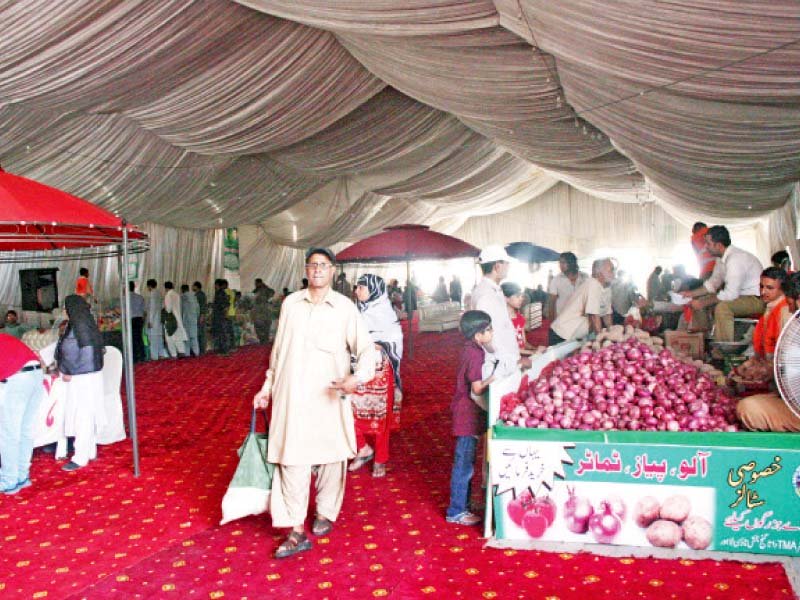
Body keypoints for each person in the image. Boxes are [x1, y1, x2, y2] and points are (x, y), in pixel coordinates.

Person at [252, 247, 377, 559]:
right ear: (306, 270)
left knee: (332, 458)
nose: (318, 270)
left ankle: (325, 511)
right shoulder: (291, 304)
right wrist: (267, 386)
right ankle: (295, 529)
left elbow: (366, 350)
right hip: (291, 396)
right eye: (313, 265)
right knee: (291, 459)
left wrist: (356, 378)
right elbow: (278, 352)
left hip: (329, 397)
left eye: (324, 265)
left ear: (332, 270)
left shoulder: (345, 308)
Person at [350, 274, 405, 477]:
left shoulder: (383, 313)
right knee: (349, 410)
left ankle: (380, 459)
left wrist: (375, 344)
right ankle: (363, 448)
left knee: (380, 417)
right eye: (357, 288)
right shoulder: (357, 310)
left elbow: (394, 341)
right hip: (357, 368)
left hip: (380, 370)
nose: (357, 291)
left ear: (374, 290)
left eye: (361, 288)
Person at [446, 310, 496, 526]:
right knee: (464, 464)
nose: (492, 333)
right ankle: (456, 510)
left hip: (467, 412)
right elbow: (476, 387)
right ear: (478, 335)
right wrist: (494, 378)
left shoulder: (472, 349)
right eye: (489, 330)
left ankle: (462, 505)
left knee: (466, 462)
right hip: (467, 415)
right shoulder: (475, 354)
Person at [736, 272, 800, 432]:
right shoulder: (777, 316)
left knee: (749, 408)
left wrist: (773, 370)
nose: (791, 311)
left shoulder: (785, 315)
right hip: (793, 400)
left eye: (791, 304)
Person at [681, 225, 764, 342]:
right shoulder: (721, 259)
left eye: (708, 244)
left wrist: (703, 302)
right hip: (740, 297)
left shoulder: (735, 259)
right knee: (701, 301)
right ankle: (704, 341)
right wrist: (690, 294)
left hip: (756, 300)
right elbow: (712, 284)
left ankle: (724, 349)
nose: (705, 247)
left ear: (719, 245)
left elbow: (730, 294)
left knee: (722, 308)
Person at [56, 295, 105, 471]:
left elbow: (70, 351)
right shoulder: (86, 323)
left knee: (82, 417)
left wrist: (66, 370)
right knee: (87, 415)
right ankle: (89, 451)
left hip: (81, 377)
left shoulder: (78, 325)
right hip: (90, 375)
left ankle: (80, 456)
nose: (63, 311)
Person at [471, 245, 531, 377]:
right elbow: (488, 338)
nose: (508, 266)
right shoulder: (486, 295)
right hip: (499, 365)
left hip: (504, 361)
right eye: (507, 263)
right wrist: (511, 362)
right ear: (497, 266)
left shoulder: (493, 290)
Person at [0, 333, 44, 494]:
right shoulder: (4, 337)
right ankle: (22, 476)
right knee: (25, 430)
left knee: (8, 433)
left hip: (16, 380)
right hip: (36, 375)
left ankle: (9, 480)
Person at [731, 267, 790, 383]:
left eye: (770, 288)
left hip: (783, 378)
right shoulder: (769, 310)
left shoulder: (786, 311)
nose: (763, 292)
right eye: (761, 286)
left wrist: (768, 369)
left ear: (783, 289)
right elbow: (763, 347)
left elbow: (788, 357)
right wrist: (751, 362)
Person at [549, 258, 615, 345]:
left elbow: (607, 315)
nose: (614, 274)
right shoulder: (592, 284)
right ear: (598, 273)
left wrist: (612, 333)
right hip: (562, 334)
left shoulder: (606, 288)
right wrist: (602, 340)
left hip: (576, 335)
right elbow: (594, 316)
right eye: (611, 270)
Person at [546, 251, 588, 321]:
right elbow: (551, 303)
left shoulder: (584, 277)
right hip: (563, 321)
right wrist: (552, 322)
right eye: (560, 263)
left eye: (563, 262)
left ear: (571, 263)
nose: (561, 265)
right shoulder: (556, 280)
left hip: (581, 319)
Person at [501, 281, 535, 355]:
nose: (521, 299)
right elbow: (508, 349)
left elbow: (524, 342)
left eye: (521, 296)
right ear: (506, 298)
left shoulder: (520, 318)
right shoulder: (502, 321)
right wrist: (533, 352)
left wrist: (534, 348)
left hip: (521, 355)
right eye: (517, 296)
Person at [163, 282, 188, 357]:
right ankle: (182, 352)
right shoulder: (177, 294)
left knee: (169, 337)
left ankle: (173, 354)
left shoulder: (168, 295)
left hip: (170, 319)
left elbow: (168, 309)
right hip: (178, 318)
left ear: (166, 288)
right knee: (178, 336)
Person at [145, 279, 164, 361]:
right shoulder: (159, 293)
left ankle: (154, 357)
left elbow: (152, 309)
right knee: (159, 339)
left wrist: (150, 321)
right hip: (159, 319)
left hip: (153, 320)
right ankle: (161, 355)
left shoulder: (152, 294)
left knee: (152, 340)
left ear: (149, 286)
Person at [128, 282, 146, 363]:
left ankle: (134, 357)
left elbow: (123, 311)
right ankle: (142, 356)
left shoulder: (125, 298)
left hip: (131, 320)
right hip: (139, 319)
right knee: (139, 337)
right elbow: (144, 311)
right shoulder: (140, 297)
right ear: (134, 287)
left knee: (132, 338)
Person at [252, 278, 274, 345]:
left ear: (260, 283)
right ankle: (262, 340)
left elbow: (272, 293)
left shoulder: (266, 290)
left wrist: (265, 286)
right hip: (258, 311)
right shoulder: (255, 291)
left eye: (256, 283)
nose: (255, 285)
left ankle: (265, 340)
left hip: (265, 311)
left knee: (266, 325)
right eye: (255, 283)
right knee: (258, 326)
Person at [180, 284, 200, 356]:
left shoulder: (182, 297)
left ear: (182, 290)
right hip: (194, 319)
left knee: (186, 338)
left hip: (186, 320)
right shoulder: (194, 296)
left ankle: (187, 353)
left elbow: (181, 309)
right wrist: (197, 317)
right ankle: (196, 352)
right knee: (194, 336)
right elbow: (198, 309)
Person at [212, 279, 231, 355]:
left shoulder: (221, 293)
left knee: (222, 334)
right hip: (218, 316)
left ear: (218, 285)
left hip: (221, 316)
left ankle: (225, 351)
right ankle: (222, 350)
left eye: (215, 285)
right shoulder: (218, 293)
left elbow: (226, 305)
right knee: (220, 333)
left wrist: (225, 314)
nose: (214, 286)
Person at [193, 281, 207, 354]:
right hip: (198, 316)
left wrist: (202, 315)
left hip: (200, 316)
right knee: (199, 333)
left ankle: (202, 350)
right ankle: (199, 350)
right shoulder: (197, 294)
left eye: (193, 286)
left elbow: (203, 306)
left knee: (201, 333)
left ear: (196, 286)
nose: (192, 287)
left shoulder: (200, 295)